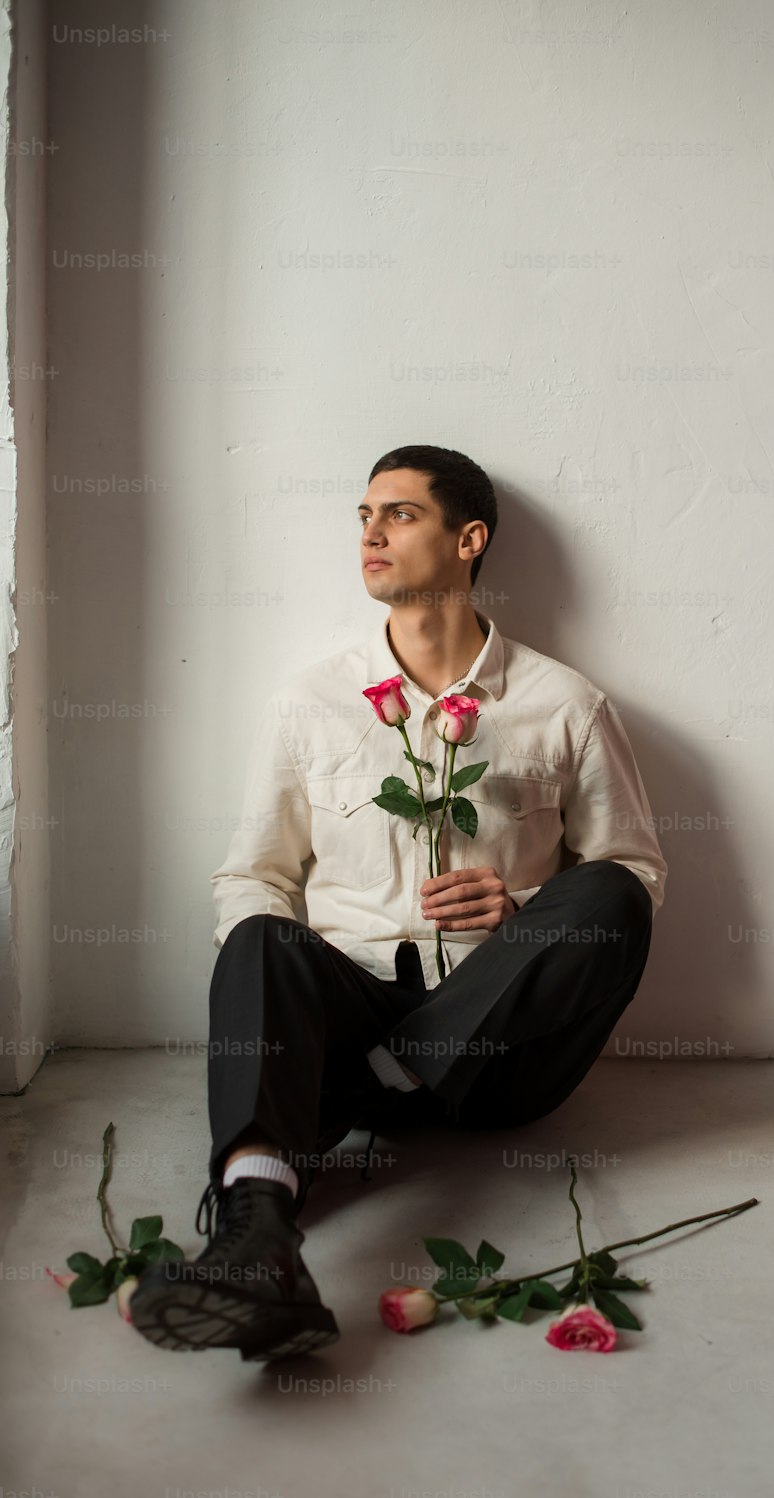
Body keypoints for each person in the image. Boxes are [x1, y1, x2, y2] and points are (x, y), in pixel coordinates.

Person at [129, 444, 667, 1361]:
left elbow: (635, 874)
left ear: (470, 539)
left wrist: (523, 908)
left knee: (608, 896)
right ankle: (255, 1233)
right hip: (353, 1017)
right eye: (364, 516)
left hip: (504, 1055)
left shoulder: (564, 704)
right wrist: (282, 1001)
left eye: (400, 514)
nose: (371, 533)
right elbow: (250, 872)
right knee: (259, 930)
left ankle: (393, 1073)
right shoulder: (309, 702)